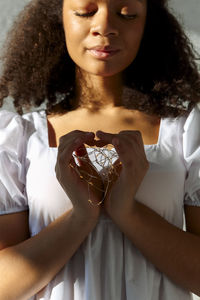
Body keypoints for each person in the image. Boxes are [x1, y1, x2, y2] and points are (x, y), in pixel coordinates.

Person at [0, 0, 200, 299]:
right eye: (85, 11)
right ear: (59, 20)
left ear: (148, 25)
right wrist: (82, 215)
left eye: (127, 14)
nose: (105, 27)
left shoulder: (186, 132)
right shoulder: (20, 137)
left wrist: (127, 211)